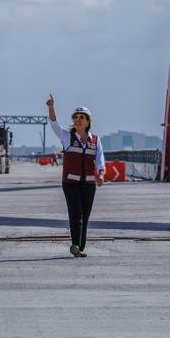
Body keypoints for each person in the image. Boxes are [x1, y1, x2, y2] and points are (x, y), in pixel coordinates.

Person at [46, 94, 104, 257]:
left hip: (89, 184)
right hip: (70, 183)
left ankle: (80, 246)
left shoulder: (96, 141)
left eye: (82, 117)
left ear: (88, 121)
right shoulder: (67, 137)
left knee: (85, 216)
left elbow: (100, 161)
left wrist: (101, 174)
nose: (78, 120)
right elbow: (54, 124)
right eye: (75, 117)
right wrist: (51, 107)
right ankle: (75, 245)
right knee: (76, 214)